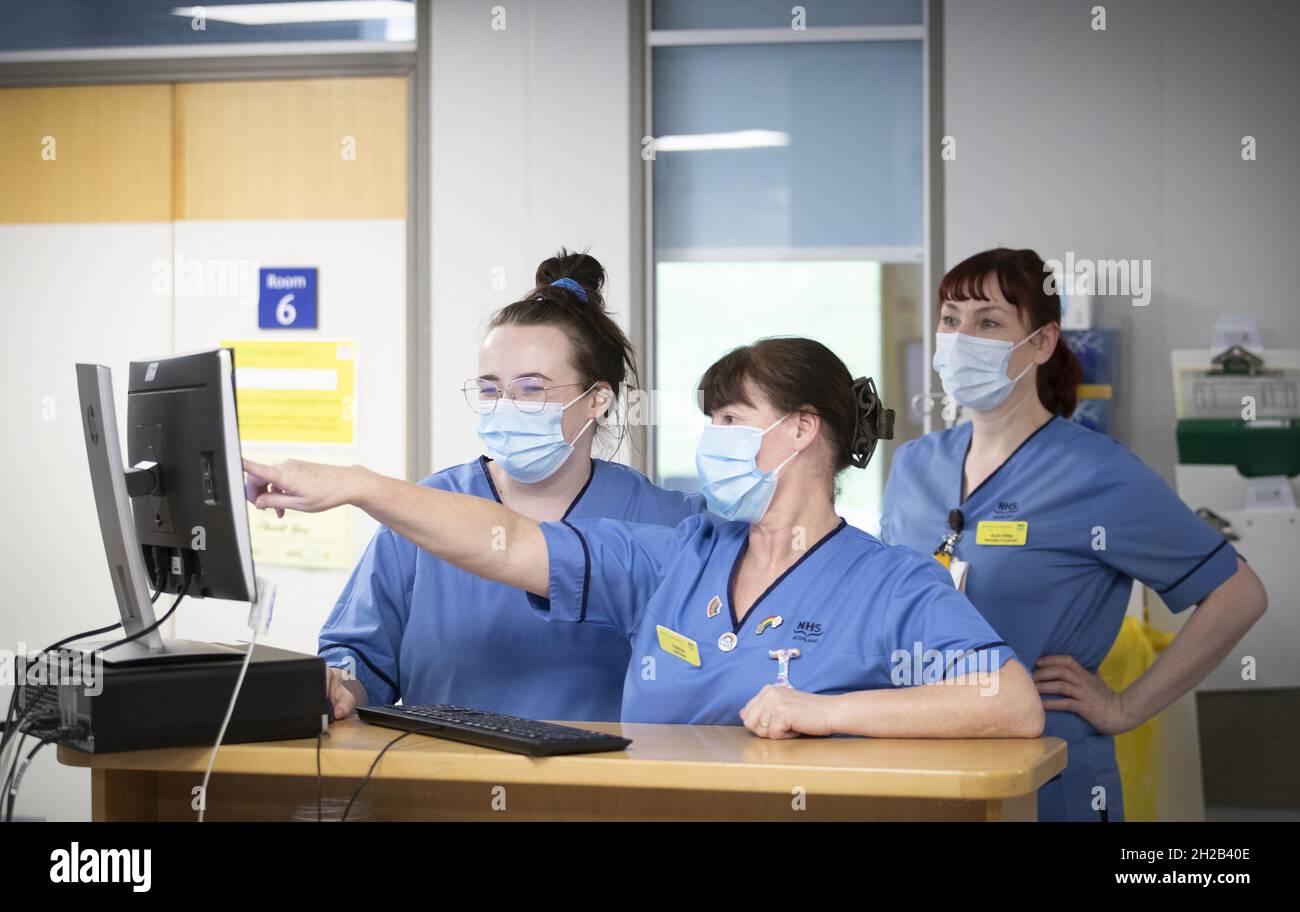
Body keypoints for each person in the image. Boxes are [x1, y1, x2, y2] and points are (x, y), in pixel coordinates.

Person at [246, 338, 1045, 740]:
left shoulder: (889, 583)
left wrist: (828, 712)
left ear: (803, 431)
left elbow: (1008, 701)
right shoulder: (677, 553)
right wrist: (358, 484)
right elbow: (505, 543)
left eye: (732, 421)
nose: (714, 441)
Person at [880, 247, 1267, 820]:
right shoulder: (913, 466)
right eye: (950, 319)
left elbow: (1239, 595)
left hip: (1048, 776)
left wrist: (1126, 707)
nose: (961, 338)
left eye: (988, 322)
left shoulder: (1097, 474)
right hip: (921, 762)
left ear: (1040, 343)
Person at [307, 249, 703, 722]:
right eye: (491, 389)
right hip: (440, 780)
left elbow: (708, 670)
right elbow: (360, 662)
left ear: (597, 399)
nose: (505, 406)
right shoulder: (425, 512)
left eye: (532, 389)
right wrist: (340, 686)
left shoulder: (664, 520)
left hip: (602, 788)